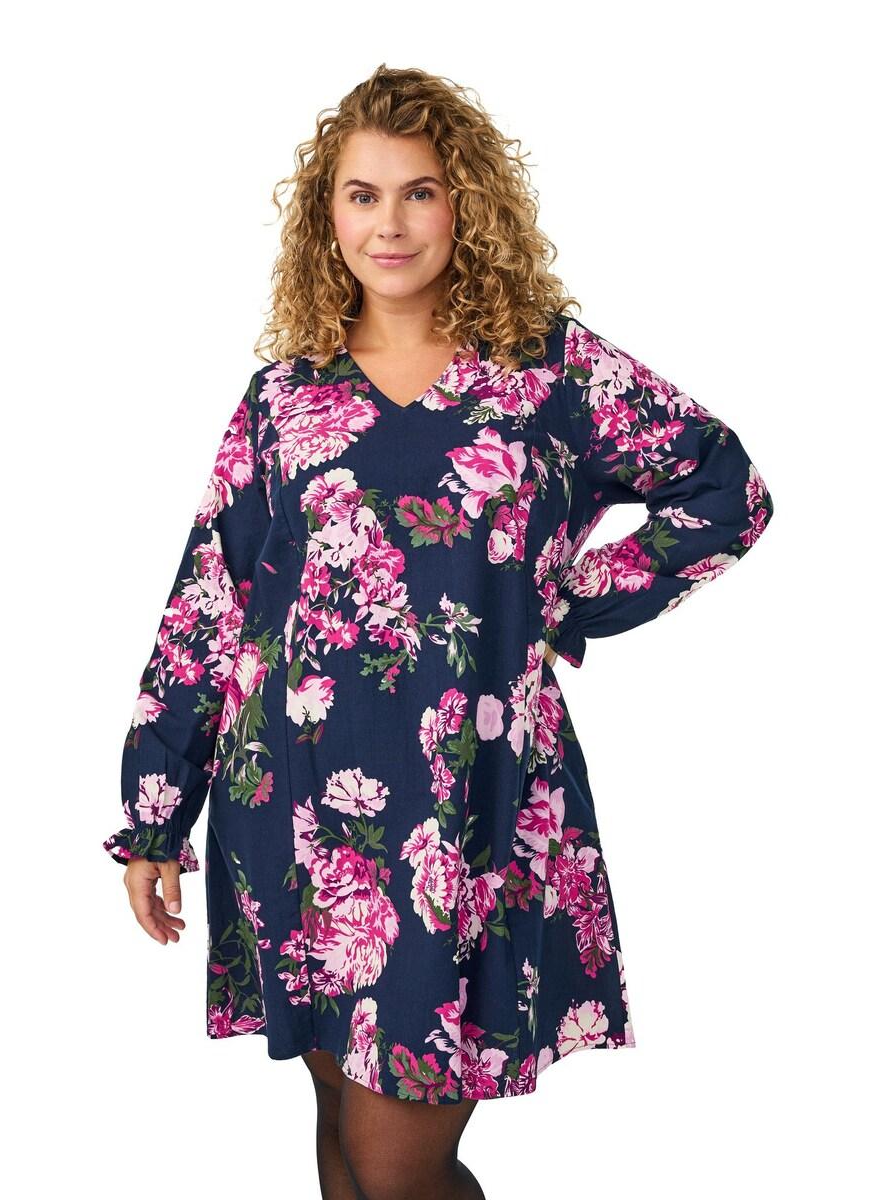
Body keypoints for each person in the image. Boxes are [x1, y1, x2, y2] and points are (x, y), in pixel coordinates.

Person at [103, 65, 774, 1200]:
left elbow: (725, 489)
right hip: (293, 805)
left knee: (396, 1167)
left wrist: (567, 597)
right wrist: (154, 813)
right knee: (343, 1142)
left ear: (467, 205)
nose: (391, 224)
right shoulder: (285, 398)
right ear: (326, 216)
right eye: (362, 195)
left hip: (469, 809)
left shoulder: (550, 371)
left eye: (419, 192)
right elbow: (210, 603)